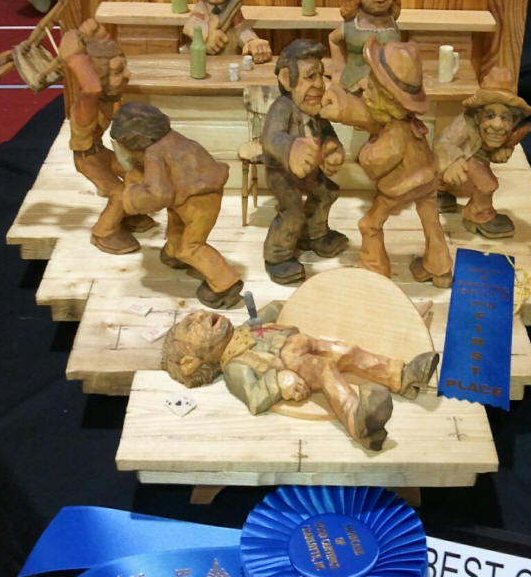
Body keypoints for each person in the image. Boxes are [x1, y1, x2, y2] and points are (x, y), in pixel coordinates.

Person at [162, 307, 439, 451]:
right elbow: (255, 397)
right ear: (190, 362)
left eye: (196, 314)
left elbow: (270, 315)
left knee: (348, 351)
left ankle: (402, 376)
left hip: (302, 342)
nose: (201, 315)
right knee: (325, 369)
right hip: (293, 360)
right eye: (191, 324)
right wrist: (279, 381)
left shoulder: (246, 329)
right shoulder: (235, 366)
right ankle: (361, 424)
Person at [320, 38, 453, 287]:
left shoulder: (395, 134)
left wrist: (366, 150)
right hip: (428, 178)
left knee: (369, 224)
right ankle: (440, 268)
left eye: (370, 85)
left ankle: (375, 272)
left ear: (387, 99)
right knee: (431, 221)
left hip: (404, 185)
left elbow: (374, 165)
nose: (363, 86)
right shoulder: (407, 123)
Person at [110, 101, 243, 309]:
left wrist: (131, 196)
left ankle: (225, 283)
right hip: (188, 195)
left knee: (191, 246)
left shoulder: (153, 153)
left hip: (201, 200)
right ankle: (173, 251)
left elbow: (159, 194)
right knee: (176, 228)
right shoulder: (171, 138)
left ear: (135, 142)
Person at [59, 20, 155, 254]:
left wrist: (93, 32)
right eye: (118, 72)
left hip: (99, 151)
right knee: (118, 192)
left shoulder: (105, 98)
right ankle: (104, 231)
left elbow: (103, 49)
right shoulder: (88, 102)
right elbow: (91, 86)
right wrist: (74, 50)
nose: (128, 75)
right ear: (99, 77)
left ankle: (127, 215)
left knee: (138, 173)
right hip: (87, 159)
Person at [261, 39, 348, 284]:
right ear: (287, 79)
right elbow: (271, 138)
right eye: (310, 76)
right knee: (292, 209)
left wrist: (332, 148)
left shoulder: (313, 108)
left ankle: (314, 234)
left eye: (321, 75)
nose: (319, 84)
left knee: (326, 192)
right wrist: (291, 148)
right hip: (281, 171)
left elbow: (326, 131)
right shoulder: (282, 107)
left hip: (309, 169)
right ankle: (277, 255)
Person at [434, 66, 531, 238]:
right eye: (490, 116)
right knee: (487, 184)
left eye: (505, 118)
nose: (498, 125)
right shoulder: (464, 123)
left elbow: (500, 145)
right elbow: (443, 143)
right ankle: (478, 215)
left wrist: (503, 150)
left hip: (477, 156)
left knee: (483, 181)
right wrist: (453, 161)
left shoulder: (504, 131)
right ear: (478, 117)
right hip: (462, 153)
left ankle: (471, 211)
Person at [328, 0, 401, 94]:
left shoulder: (391, 23)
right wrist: (337, 69)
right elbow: (333, 39)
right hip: (354, 87)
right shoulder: (353, 25)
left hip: (385, 90)